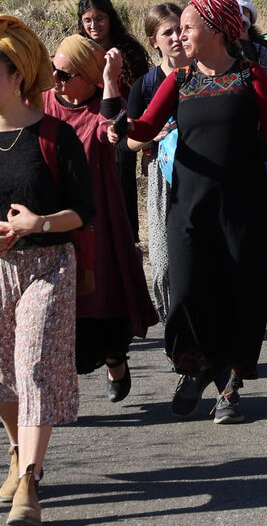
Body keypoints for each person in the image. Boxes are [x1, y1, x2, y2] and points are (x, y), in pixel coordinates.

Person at [124, 0, 267, 425]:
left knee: (240, 293)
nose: (179, 36)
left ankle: (230, 388)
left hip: (242, 208)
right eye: (177, 29)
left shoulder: (252, 77)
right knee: (184, 291)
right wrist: (116, 120)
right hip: (188, 208)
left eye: (187, 27)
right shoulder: (179, 81)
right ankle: (195, 366)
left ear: (216, 30)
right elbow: (143, 128)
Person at [0, 14, 94, 526]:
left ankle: (31, 481)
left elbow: (86, 211)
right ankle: (15, 451)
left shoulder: (55, 138)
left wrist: (42, 222)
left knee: (33, 367)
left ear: (17, 77)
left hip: (49, 267)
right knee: (4, 376)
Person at [46, 35, 156, 402]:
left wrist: (110, 80)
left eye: (64, 73)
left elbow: (112, 130)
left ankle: (115, 358)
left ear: (88, 78)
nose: (55, 78)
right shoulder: (42, 103)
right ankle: (59, 388)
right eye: (52, 68)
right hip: (51, 216)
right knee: (58, 303)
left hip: (98, 218)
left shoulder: (101, 106)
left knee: (102, 294)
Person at [122, 3, 192, 323]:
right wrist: (153, 133)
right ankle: (174, 326)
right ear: (154, 40)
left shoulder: (207, 74)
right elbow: (129, 142)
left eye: (181, 29)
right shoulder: (146, 86)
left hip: (201, 174)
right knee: (163, 264)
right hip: (161, 179)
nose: (177, 37)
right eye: (168, 32)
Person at [77, 0, 152, 242]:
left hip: (122, 131)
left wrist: (144, 137)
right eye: (87, 20)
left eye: (99, 19)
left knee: (121, 187)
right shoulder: (79, 51)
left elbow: (143, 94)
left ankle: (127, 242)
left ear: (110, 19)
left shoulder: (129, 52)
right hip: (89, 130)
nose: (93, 26)